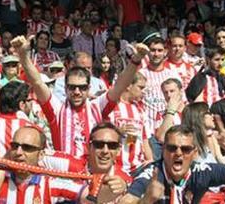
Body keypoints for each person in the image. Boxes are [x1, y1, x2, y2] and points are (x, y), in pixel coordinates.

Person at [16, 34, 148, 159]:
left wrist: (135, 60)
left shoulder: (97, 107)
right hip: (64, 177)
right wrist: (23, 56)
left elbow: (120, 85)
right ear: (66, 88)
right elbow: (37, 82)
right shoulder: (57, 110)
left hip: (92, 174)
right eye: (72, 87)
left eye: (82, 87)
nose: (77, 92)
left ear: (89, 88)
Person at [0, 125, 127, 203]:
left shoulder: (51, 184)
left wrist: (114, 188)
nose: (18, 152)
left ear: (41, 155)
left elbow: (91, 197)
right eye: (15, 146)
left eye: (27, 148)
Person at [124, 125, 225, 203]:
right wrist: (147, 200)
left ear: (194, 153)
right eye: (172, 148)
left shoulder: (201, 171)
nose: (179, 153)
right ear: (163, 151)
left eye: (185, 149)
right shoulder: (153, 174)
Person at [104, 73, 153, 175]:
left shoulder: (139, 109)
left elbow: (144, 139)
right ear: (128, 86)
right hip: (114, 167)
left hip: (137, 167)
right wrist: (118, 132)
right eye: (140, 87)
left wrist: (151, 160)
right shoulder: (111, 106)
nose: (143, 91)